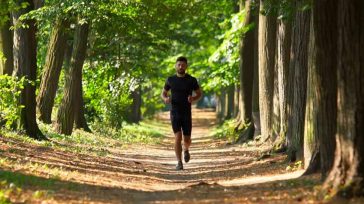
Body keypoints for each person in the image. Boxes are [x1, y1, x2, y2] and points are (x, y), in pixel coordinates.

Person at [161, 56, 202, 170]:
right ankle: (179, 162)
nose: (180, 66)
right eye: (179, 64)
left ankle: (186, 149)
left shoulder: (192, 80)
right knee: (178, 137)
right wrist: (165, 99)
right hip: (175, 112)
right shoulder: (170, 80)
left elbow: (199, 93)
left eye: (183, 65)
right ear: (175, 66)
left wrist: (193, 98)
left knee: (187, 139)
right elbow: (163, 93)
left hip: (186, 113)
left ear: (186, 66)